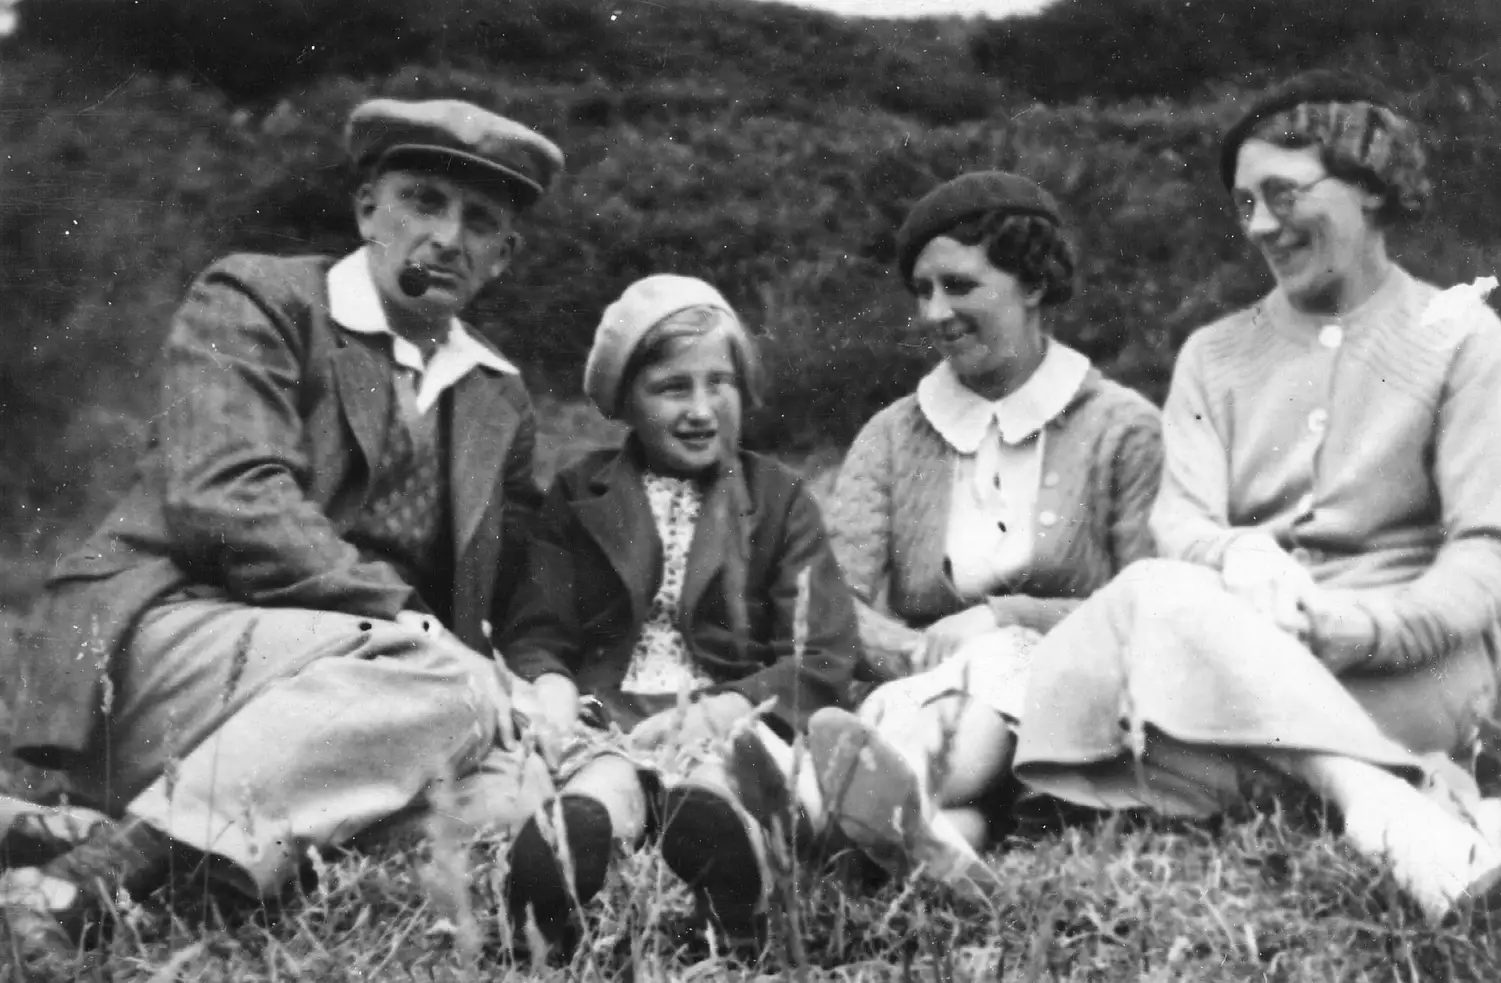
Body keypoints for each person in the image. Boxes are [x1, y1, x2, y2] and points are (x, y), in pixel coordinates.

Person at [2, 98, 564, 964]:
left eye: (479, 221)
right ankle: (79, 879)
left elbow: (515, 588)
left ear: (503, 255)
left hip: (355, 707)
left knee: (518, 795)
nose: (448, 237)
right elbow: (227, 498)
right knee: (445, 684)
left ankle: (119, 834)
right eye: (422, 200)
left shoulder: (498, 396)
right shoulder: (259, 298)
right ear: (367, 207)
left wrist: (547, 691)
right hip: (177, 634)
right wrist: (417, 628)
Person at [1007, 70, 1501, 922]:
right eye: (1244, 205)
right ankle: (1405, 801)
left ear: (1372, 188)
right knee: (1157, 588)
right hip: (1249, 639)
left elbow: (1491, 551)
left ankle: (1362, 781)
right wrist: (1237, 551)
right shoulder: (1212, 352)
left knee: (1117, 709)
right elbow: (1182, 522)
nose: (1262, 226)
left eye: (1282, 194)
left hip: (1410, 666)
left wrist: (1368, 629)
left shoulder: (1458, 332)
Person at [808, 172, 1164, 891]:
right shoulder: (891, 436)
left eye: (959, 286)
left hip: (1070, 706)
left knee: (1000, 663)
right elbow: (834, 602)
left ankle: (808, 814)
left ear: (1033, 283)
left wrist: (1005, 619)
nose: (935, 312)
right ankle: (932, 841)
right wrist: (920, 651)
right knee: (940, 721)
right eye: (922, 290)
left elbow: (1152, 605)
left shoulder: (1123, 428)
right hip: (924, 690)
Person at [493, 274, 861, 953]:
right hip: (611, 708)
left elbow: (825, 652)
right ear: (625, 400)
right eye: (671, 388)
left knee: (712, 783)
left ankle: (732, 887)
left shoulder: (778, 500)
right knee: (604, 779)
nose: (700, 408)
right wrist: (549, 682)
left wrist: (724, 709)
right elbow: (538, 626)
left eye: (718, 383)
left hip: (727, 713)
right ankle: (562, 869)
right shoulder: (580, 493)